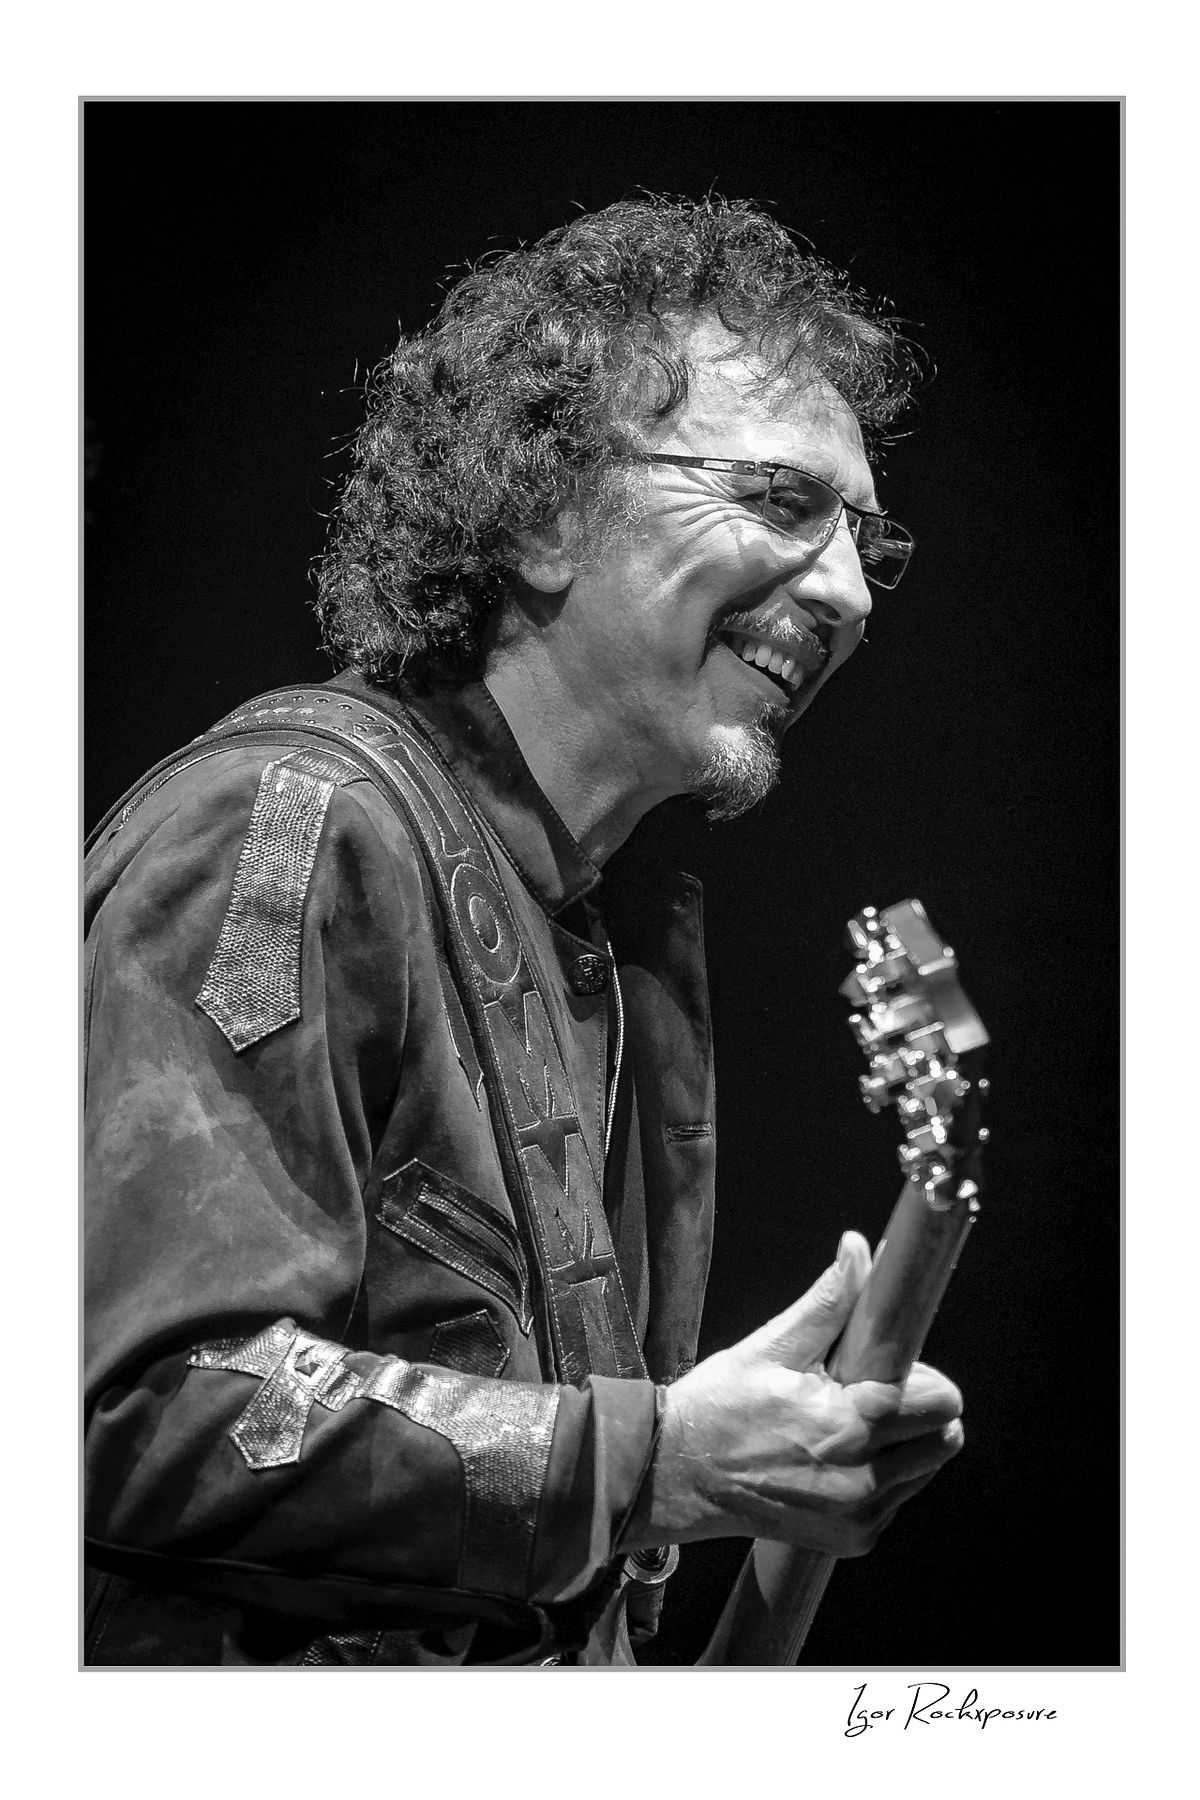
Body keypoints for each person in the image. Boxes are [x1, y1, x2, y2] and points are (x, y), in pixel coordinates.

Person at [84, 195, 964, 1667]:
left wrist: (700, 1464)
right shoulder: (286, 827)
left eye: (870, 537)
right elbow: (127, 1407)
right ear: (550, 512)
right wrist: (654, 1461)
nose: (851, 590)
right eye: (785, 504)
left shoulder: (602, 945)